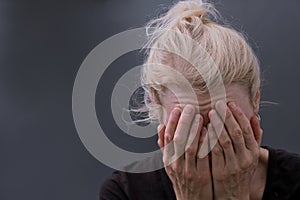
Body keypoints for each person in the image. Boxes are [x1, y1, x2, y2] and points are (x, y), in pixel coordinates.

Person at [100, 0, 300, 199]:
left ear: (255, 100)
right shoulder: (124, 191)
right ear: (157, 105)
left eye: (224, 122)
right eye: (189, 126)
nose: (209, 141)